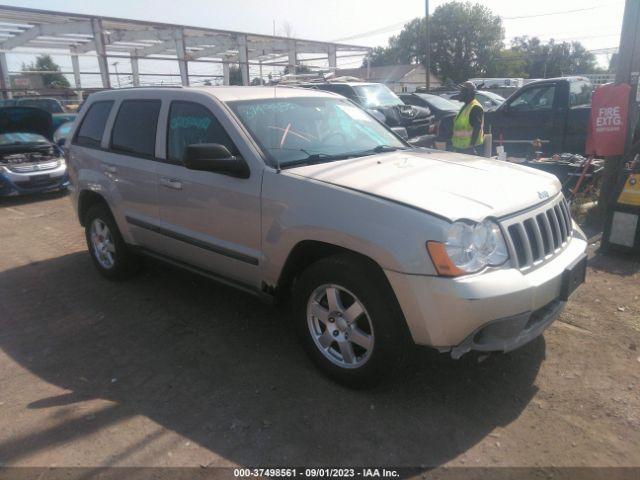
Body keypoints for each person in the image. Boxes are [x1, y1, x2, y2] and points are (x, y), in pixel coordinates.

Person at [451, 81, 484, 155]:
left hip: (470, 149)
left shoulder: (475, 107)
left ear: (468, 93)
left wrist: (471, 145)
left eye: (462, 92)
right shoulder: (466, 106)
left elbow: (477, 128)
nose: (460, 94)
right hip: (461, 148)